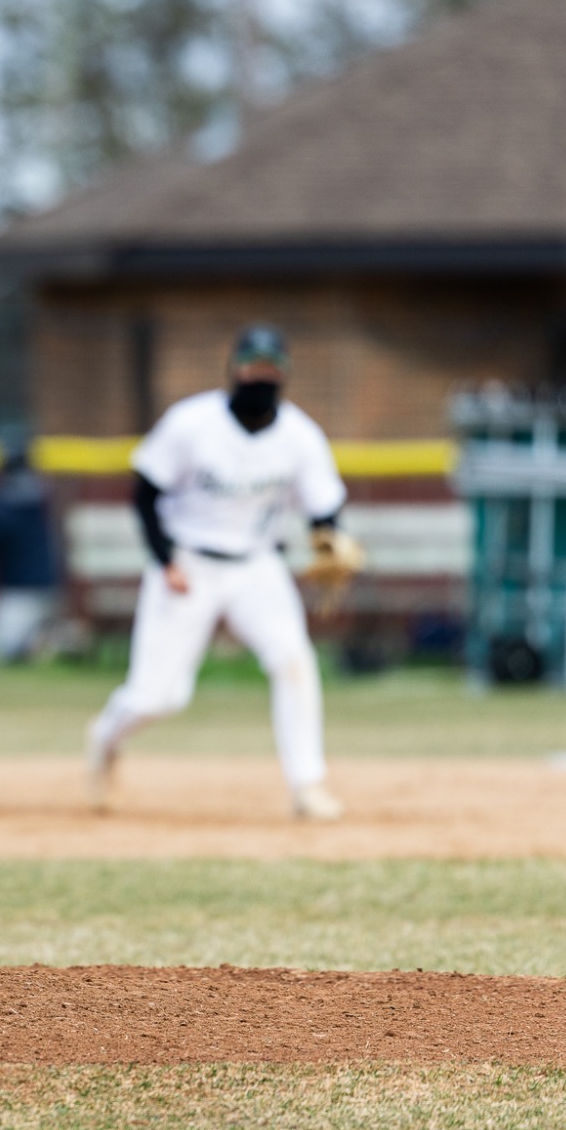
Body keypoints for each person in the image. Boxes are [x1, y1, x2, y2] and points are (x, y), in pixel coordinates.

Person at [83, 324, 357, 820]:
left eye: (270, 368)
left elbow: (323, 506)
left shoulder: (299, 435)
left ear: (285, 375)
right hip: (187, 560)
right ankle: (105, 739)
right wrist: (164, 558)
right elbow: (146, 492)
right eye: (252, 366)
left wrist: (331, 535)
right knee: (158, 697)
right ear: (233, 370)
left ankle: (307, 784)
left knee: (293, 660)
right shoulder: (192, 423)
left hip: (256, 564)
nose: (260, 376)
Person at [0, 430, 61, 663]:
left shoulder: (8, 501)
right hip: (47, 586)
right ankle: (45, 638)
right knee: (11, 647)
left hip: (19, 591)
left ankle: (48, 641)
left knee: (2, 653)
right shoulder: (41, 492)